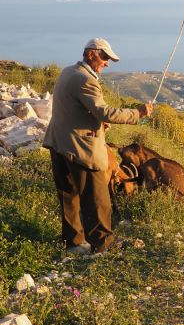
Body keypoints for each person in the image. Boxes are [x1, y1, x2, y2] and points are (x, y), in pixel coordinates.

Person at [43, 38, 153, 254]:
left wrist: (97, 123)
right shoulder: (86, 80)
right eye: (105, 57)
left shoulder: (68, 71)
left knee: (69, 195)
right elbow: (105, 111)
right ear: (91, 54)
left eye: (109, 59)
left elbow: (74, 108)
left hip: (59, 143)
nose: (107, 63)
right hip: (80, 148)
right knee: (98, 199)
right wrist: (138, 113)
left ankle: (74, 242)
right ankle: (102, 246)